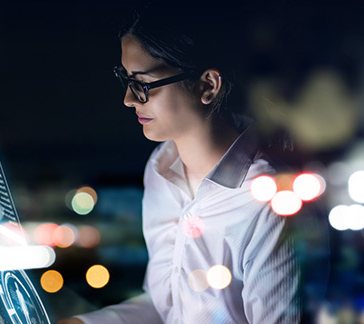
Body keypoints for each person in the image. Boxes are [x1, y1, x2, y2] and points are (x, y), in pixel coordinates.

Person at [59, 3, 305, 324]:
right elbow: (170, 307)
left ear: (208, 85)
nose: (129, 99)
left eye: (143, 84)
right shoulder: (160, 168)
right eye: (126, 79)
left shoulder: (264, 199)